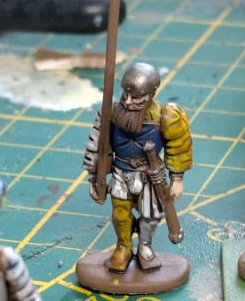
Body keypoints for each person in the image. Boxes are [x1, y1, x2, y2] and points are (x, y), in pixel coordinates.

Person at [82, 62, 193, 274]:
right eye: (126, 95)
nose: (128, 102)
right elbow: (97, 143)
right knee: (120, 213)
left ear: (151, 94)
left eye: (136, 97)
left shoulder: (166, 116)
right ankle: (123, 247)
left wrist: (177, 179)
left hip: (150, 176)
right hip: (121, 172)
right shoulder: (111, 112)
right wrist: (94, 177)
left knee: (150, 216)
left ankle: (144, 246)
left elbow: (179, 147)